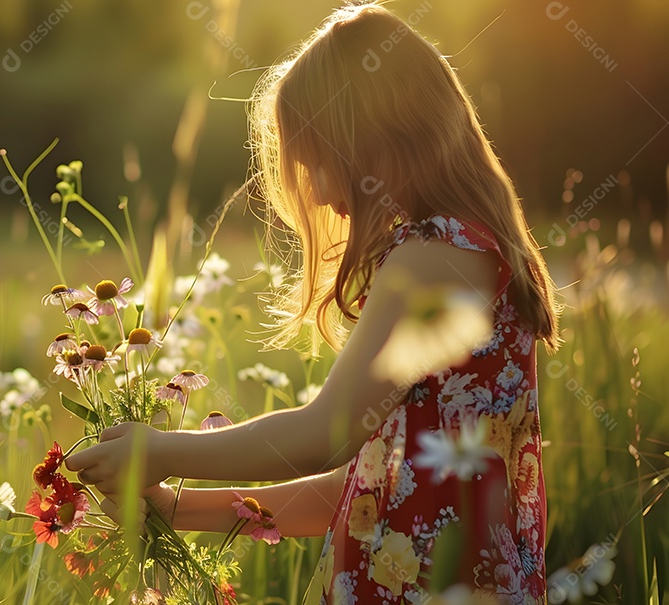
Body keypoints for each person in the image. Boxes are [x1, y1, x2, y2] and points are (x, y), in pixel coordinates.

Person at [65, 2, 561, 602]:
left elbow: (326, 433)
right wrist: (174, 507)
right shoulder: (466, 250)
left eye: (318, 161)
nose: (320, 192)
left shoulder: (436, 256)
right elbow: (355, 489)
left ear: (375, 140)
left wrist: (162, 451)